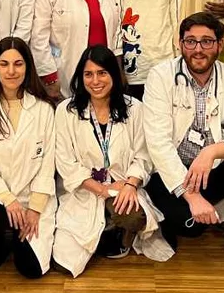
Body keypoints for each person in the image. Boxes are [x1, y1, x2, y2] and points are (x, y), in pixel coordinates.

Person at [143, 12, 224, 274]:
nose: (198, 49)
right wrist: (192, 196)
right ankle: (173, 219)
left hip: (211, 170)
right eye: (190, 41)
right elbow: (158, 143)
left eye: (206, 41)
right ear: (180, 44)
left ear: (220, 44)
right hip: (173, 173)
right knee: (189, 227)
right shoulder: (161, 77)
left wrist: (213, 151)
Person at [52, 47, 172, 277]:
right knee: (64, 263)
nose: (95, 81)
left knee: (134, 216)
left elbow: (144, 154)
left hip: (123, 185)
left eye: (102, 73)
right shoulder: (66, 111)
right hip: (85, 190)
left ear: (114, 76)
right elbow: (66, 163)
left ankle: (120, 232)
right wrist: (102, 190)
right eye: (89, 74)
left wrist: (130, 184)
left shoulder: (134, 108)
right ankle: (106, 227)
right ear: (80, 77)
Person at [0, 38, 58, 278]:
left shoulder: (44, 109)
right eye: (4, 64)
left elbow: (48, 165)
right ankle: (4, 234)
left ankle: (19, 235)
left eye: (18, 64)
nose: (11, 71)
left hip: (32, 196)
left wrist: (34, 208)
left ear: (28, 67)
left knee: (31, 270)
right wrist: (8, 199)